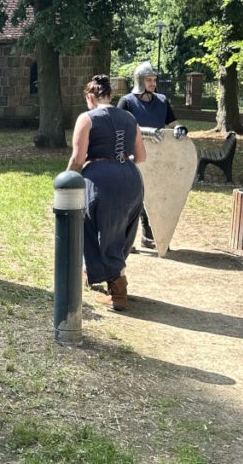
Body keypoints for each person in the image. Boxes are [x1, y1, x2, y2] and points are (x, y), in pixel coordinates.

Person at [67, 75, 146, 311]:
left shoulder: (87, 118)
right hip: (131, 179)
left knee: (99, 232)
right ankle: (112, 281)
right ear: (111, 96)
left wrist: (65, 179)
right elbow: (141, 157)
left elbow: (78, 158)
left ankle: (119, 293)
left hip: (101, 180)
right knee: (121, 235)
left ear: (90, 98)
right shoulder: (130, 118)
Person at [117, 61, 186, 249]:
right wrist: (147, 132)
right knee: (131, 198)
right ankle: (124, 239)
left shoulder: (162, 100)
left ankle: (149, 236)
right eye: (148, 80)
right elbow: (121, 127)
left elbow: (171, 121)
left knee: (154, 196)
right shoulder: (127, 102)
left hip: (157, 156)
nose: (152, 83)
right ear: (140, 80)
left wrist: (179, 129)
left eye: (154, 80)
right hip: (132, 156)